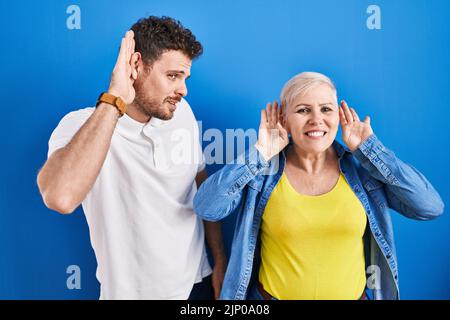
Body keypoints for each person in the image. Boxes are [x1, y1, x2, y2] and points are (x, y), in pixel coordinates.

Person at [193, 72, 444, 300]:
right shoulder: (262, 175)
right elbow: (207, 206)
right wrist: (260, 153)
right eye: (303, 110)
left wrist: (370, 149)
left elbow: (429, 207)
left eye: (326, 109)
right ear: (284, 119)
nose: (317, 120)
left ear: (339, 116)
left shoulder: (362, 173)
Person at [37, 16, 226, 300]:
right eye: (173, 76)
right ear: (136, 66)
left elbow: (199, 182)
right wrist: (115, 98)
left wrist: (219, 259)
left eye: (184, 78)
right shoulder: (82, 125)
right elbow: (60, 197)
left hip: (197, 284)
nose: (183, 90)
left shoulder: (181, 112)